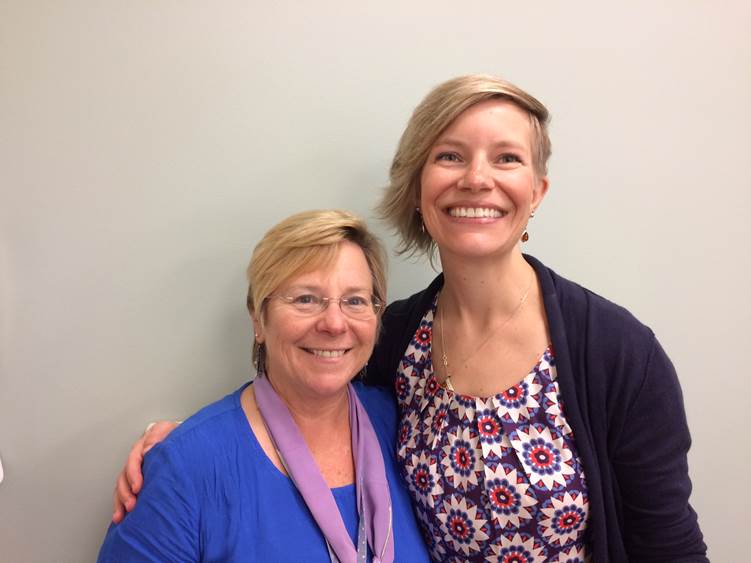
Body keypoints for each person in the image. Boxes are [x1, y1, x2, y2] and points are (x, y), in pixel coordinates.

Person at [112, 76, 707, 561]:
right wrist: (179, 454)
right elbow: (306, 406)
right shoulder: (395, 340)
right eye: (450, 155)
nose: (477, 178)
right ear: (420, 187)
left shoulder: (615, 353)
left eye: (506, 158)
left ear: (538, 191)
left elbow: (669, 546)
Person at [99, 210, 431, 562]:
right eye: (305, 298)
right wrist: (183, 450)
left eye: (354, 301)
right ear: (258, 318)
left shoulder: (401, 424)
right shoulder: (186, 468)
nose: (334, 323)